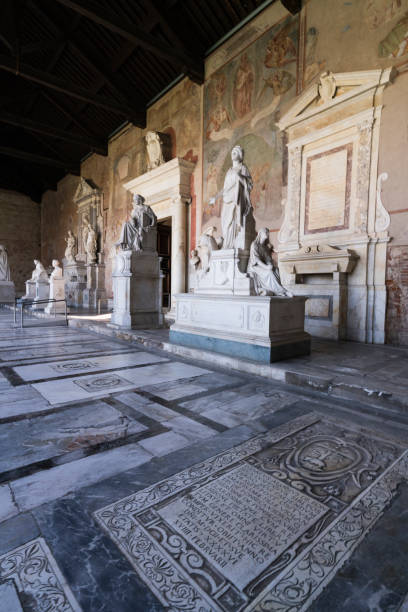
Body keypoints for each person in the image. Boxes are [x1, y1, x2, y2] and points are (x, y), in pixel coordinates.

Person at [220, 145, 253, 249]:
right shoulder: (229, 171)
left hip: (237, 199)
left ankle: (232, 244)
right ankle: (227, 243)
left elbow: (250, 184)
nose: (233, 153)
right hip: (227, 200)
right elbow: (225, 188)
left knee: (233, 220)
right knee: (226, 222)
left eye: (235, 152)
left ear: (240, 155)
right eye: (232, 151)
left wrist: (240, 177)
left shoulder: (243, 168)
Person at [248, 228, 292, 296]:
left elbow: (268, 259)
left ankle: (277, 290)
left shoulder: (265, 247)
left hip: (263, 265)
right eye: (265, 232)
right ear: (260, 234)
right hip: (255, 266)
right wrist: (266, 267)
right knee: (269, 272)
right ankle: (282, 291)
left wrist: (270, 265)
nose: (267, 234)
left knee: (276, 269)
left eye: (268, 232)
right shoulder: (254, 245)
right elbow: (256, 259)